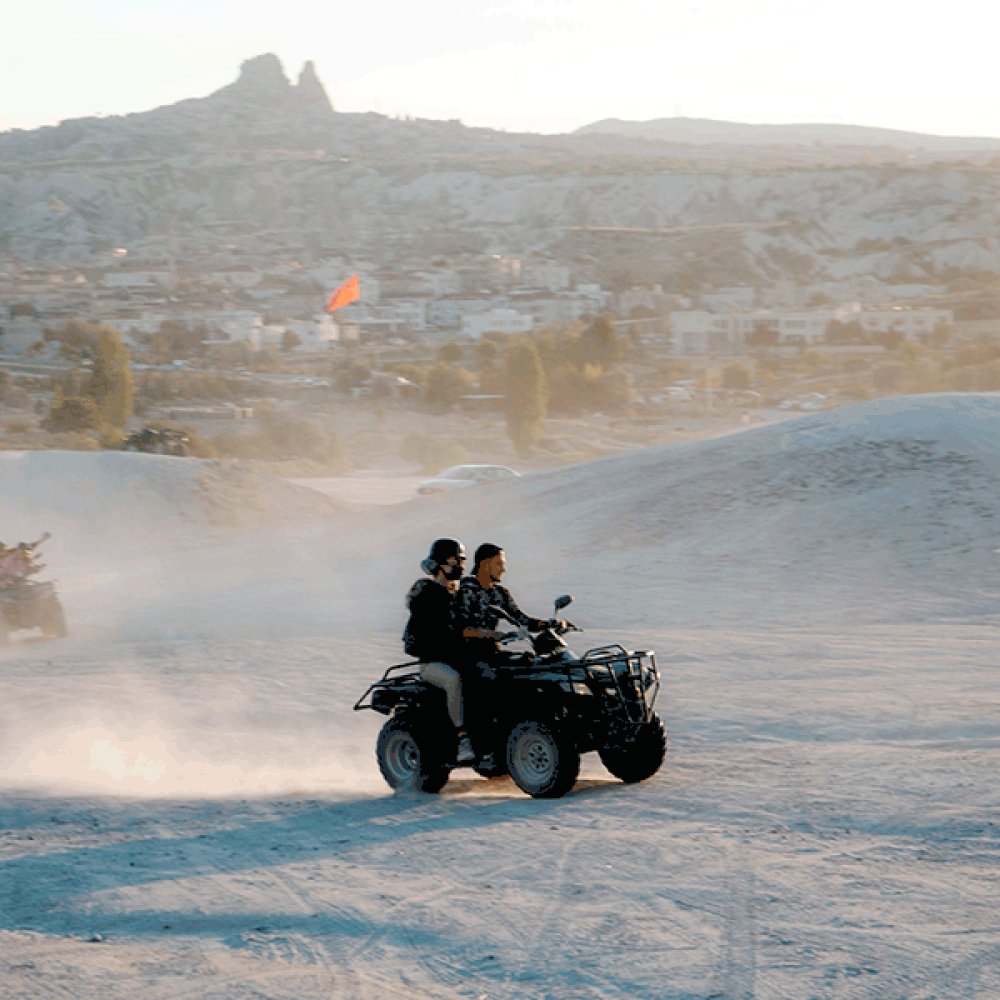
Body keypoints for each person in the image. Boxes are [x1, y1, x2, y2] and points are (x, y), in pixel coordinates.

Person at [402, 538, 475, 763]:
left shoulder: (460, 594)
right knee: (453, 680)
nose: (460, 566)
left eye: (462, 560)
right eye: (454, 560)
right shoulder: (427, 594)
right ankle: (463, 738)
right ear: (438, 564)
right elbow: (433, 632)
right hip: (433, 663)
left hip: (458, 658)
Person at [454, 542, 565, 665]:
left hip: (492, 653)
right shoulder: (467, 589)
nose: (503, 569)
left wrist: (551, 624)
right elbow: (459, 629)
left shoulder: (500, 592)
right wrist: (489, 634)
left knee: (530, 663)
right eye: (499, 564)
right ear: (485, 564)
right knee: (490, 676)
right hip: (470, 656)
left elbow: (521, 619)